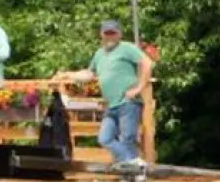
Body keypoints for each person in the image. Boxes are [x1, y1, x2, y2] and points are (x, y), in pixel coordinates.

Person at [57, 20, 153, 170]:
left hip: (128, 102)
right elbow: (89, 74)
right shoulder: (99, 54)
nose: (109, 36)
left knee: (127, 139)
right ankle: (133, 161)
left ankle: (133, 171)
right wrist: (67, 74)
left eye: (113, 33)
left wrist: (139, 87)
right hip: (111, 105)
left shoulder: (127, 48)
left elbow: (146, 63)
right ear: (101, 34)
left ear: (119, 34)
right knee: (104, 138)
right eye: (106, 33)